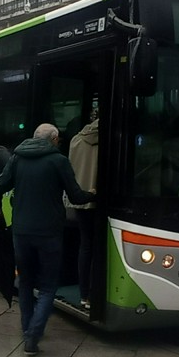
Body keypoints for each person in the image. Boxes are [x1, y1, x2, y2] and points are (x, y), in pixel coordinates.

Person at [0, 123, 95, 357]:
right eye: (59, 140)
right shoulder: (58, 161)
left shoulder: (17, 158)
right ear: (54, 139)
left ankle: (28, 329)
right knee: (48, 285)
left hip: (21, 232)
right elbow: (76, 196)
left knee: (25, 282)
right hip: (49, 233)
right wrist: (94, 194)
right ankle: (34, 334)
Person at [67, 109, 99, 310]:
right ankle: (96, 292)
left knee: (85, 246)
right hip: (100, 201)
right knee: (99, 248)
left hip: (80, 201)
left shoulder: (76, 140)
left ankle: (83, 294)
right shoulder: (114, 140)